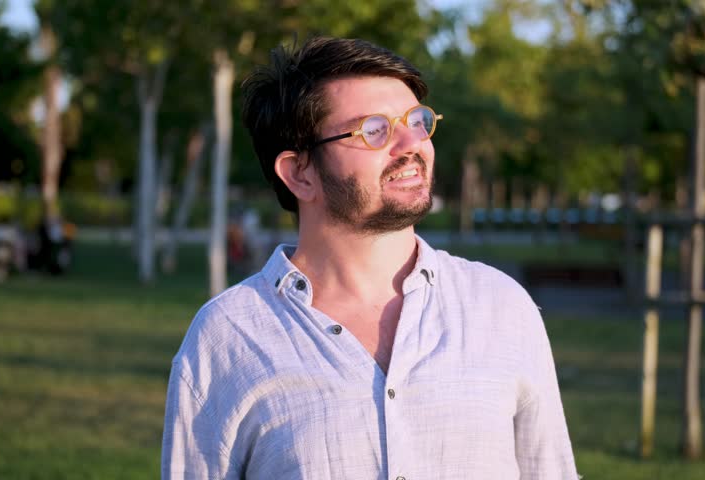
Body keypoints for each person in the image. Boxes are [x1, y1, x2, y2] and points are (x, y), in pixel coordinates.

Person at [162, 36, 578, 480]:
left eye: (418, 122)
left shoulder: (501, 308)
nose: (410, 145)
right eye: (373, 130)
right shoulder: (227, 339)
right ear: (299, 173)